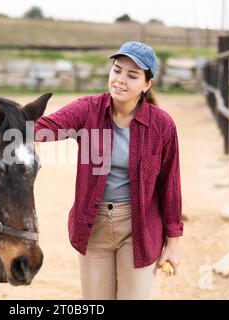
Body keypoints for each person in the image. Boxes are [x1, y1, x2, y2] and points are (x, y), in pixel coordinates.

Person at [33, 41, 183, 300]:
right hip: (93, 225)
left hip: (140, 227)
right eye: (117, 70)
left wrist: (174, 243)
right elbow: (42, 129)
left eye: (132, 75)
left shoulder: (162, 125)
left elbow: (170, 185)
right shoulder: (87, 110)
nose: (120, 80)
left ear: (148, 84)